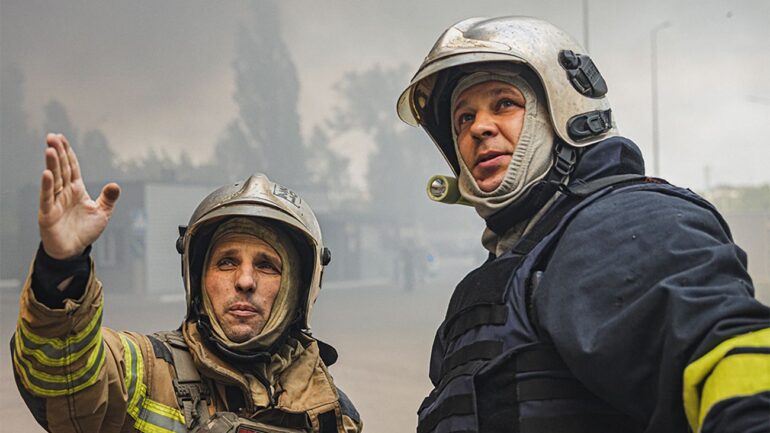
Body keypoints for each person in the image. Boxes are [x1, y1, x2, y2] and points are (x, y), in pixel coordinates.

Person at [397, 16, 769, 433]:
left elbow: (730, 358)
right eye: (463, 118)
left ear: (564, 113)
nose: (478, 128)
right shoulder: (503, 271)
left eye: (503, 104)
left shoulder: (623, 223)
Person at [12, 134, 362, 433]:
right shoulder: (146, 373)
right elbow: (63, 375)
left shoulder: (333, 413)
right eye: (226, 262)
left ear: (299, 289)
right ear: (198, 278)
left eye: (267, 265)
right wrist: (62, 268)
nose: (244, 280)